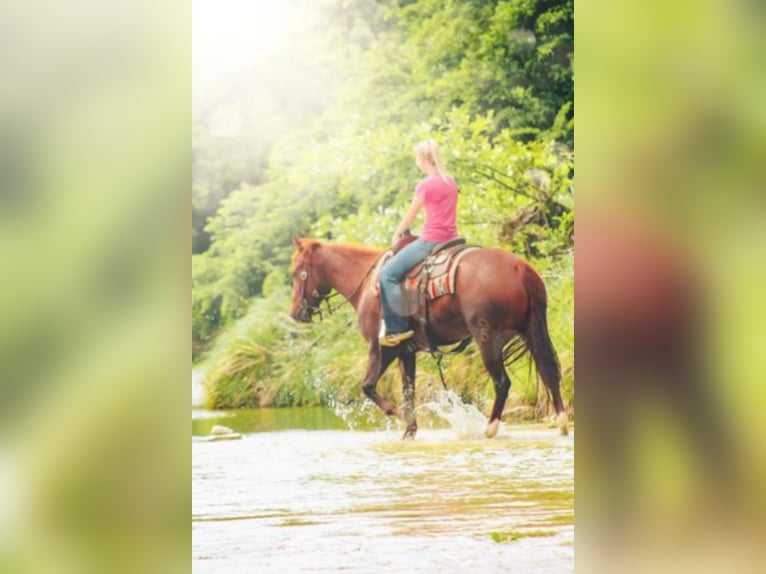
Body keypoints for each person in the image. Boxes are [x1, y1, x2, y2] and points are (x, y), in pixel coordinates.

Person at [378, 139, 460, 346]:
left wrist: (397, 234)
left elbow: (411, 214)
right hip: (453, 239)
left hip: (431, 241)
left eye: (417, 158)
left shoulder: (425, 184)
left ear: (424, 159)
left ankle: (398, 328)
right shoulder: (450, 181)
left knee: (387, 274)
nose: (417, 162)